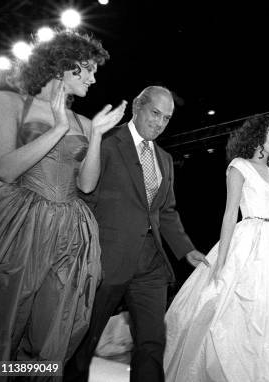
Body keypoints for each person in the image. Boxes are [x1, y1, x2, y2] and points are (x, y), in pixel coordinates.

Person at [0, 30, 126, 365]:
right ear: (63, 66)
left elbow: (87, 185)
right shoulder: (8, 102)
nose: (94, 79)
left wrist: (95, 135)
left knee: (51, 333)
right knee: (4, 324)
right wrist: (56, 128)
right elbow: (4, 170)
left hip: (71, 234)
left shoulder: (83, 120)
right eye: (89, 68)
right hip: (22, 228)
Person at [64, 86, 207, 382]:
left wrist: (186, 249)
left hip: (151, 265)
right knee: (82, 343)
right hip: (106, 260)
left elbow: (165, 210)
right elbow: (82, 192)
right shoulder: (105, 141)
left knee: (152, 342)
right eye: (155, 113)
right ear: (138, 107)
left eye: (166, 118)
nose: (160, 122)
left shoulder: (165, 159)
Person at [164, 115, 269, 382]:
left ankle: (260, 370)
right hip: (247, 243)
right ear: (256, 136)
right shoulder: (239, 166)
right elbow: (229, 214)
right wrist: (221, 264)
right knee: (236, 313)